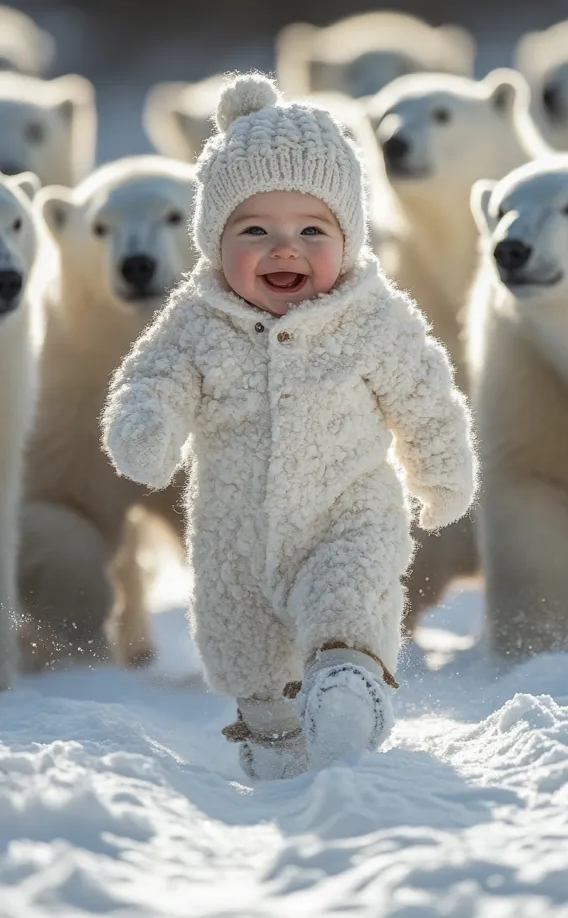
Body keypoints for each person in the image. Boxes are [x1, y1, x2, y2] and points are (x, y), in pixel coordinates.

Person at [101, 73, 476, 780]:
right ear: (214, 240)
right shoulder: (197, 317)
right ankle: (274, 741)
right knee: (243, 648)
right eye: (255, 231)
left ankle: (349, 695)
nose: (285, 249)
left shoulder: (372, 314)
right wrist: (146, 425)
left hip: (349, 515)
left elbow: (424, 391)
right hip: (233, 537)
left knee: (349, 600)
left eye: (312, 230)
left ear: (350, 236)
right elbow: (154, 377)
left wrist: (440, 466)